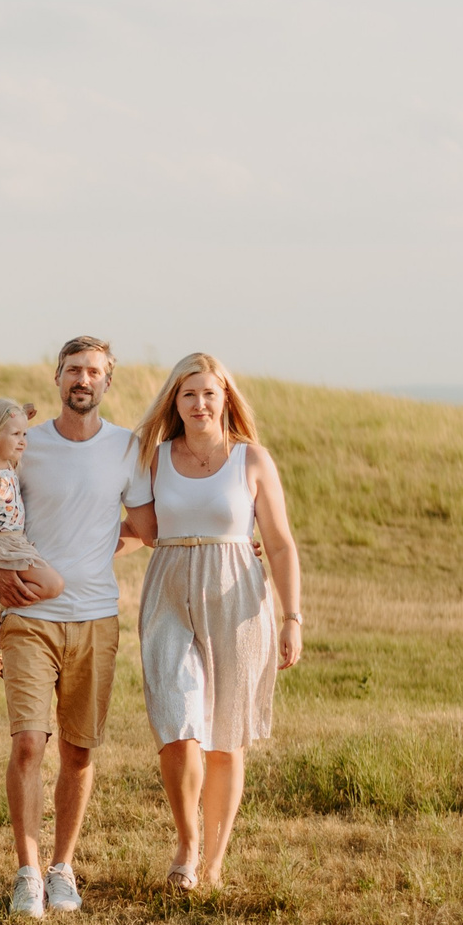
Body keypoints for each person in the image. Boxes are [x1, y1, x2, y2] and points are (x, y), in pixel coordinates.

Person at [0, 337, 147, 919]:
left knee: (79, 749)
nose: (83, 380)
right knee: (27, 743)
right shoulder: (25, 443)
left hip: (95, 617)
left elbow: (144, 524)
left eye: (94, 372)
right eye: (74, 370)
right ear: (57, 377)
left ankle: (63, 868)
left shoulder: (127, 448)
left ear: (107, 383)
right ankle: (26, 873)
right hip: (29, 619)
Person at [122, 353, 304, 891]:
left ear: (225, 398)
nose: (199, 404)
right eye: (188, 395)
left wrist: (292, 616)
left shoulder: (251, 460)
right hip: (169, 590)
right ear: (174, 403)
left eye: (209, 393)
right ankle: (187, 840)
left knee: (226, 736)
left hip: (238, 594)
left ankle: (216, 859)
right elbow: (143, 531)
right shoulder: (154, 458)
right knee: (178, 725)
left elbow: (279, 542)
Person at [0, 397, 64, 675]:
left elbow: (4, 420)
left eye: (24, 434)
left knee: (28, 592)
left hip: (15, 540)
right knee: (52, 585)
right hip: (0, 544)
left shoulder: (9, 467)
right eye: (16, 435)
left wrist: (21, 416)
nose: (23, 441)